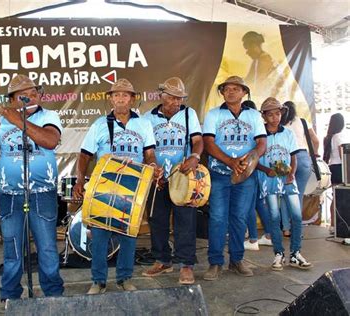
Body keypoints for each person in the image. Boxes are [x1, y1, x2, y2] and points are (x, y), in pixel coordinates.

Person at [0, 74, 64, 313]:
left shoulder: (49, 116)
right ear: (13, 99)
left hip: (42, 192)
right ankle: (9, 295)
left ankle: (54, 294)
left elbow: (49, 140)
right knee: (12, 248)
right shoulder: (2, 123)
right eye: (23, 96)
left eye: (34, 94)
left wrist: (17, 120)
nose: (31, 98)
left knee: (47, 247)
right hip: (10, 194)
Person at [73, 78, 162, 294]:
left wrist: (154, 168)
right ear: (111, 99)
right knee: (100, 235)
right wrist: (79, 180)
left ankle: (124, 278)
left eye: (125, 95)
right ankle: (98, 281)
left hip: (133, 187)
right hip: (105, 185)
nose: (120, 98)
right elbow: (85, 155)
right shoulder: (99, 124)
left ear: (132, 99)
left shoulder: (143, 124)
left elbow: (149, 154)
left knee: (128, 235)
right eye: (116, 95)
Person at [202, 76, 267, 281]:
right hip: (220, 173)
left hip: (246, 176)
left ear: (244, 93)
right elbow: (208, 143)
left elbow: (262, 143)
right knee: (218, 218)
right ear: (222, 93)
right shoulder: (214, 114)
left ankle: (237, 260)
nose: (231, 92)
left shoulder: (254, 115)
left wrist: (250, 160)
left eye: (236, 89)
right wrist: (230, 161)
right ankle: (215, 262)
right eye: (227, 89)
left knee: (239, 218)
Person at [141, 77, 203, 284]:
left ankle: (186, 265)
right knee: (157, 220)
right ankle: (162, 260)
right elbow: (146, 150)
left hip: (182, 177)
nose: (177, 102)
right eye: (173, 98)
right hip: (158, 177)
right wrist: (153, 170)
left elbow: (197, 141)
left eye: (180, 98)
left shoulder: (188, 114)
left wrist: (194, 157)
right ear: (162, 97)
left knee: (185, 221)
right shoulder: (147, 118)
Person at [257, 97, 312, 270]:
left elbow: (293, 156)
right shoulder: (259, 135)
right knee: (274, 217)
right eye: (270, 114)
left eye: (278, 113)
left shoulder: (288, 133)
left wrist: (292, 173)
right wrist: (267, 171)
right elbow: (254, 160)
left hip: (288, 180)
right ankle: (278, 253)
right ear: (264, 116)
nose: (275, 117)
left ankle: (295, 253)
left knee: (296, 216)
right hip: (270, 180)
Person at [280, 101, 319, 236]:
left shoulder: (280, 124)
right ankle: (297, 230)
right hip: (303, 157)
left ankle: (286, 228)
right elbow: (316, 140)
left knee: (285, 195)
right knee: (298, 195)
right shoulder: (303, 122)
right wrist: (313, 153)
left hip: (286, 158)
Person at [240, 100, 272, 251]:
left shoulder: (251, 130)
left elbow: (254, 156)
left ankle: (253, 239)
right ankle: (269, 234)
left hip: (253, 172)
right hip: (260, 173)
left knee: (249, 206)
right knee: (260, 204)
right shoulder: (263, 130)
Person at [323, 113, 346, 230]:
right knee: (341, 197)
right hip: (340, 168)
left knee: (335, 197)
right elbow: (343, 155)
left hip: (332, 167)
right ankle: (338, 225)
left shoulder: (329, 137)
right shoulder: (338, 137)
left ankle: (333, 224)